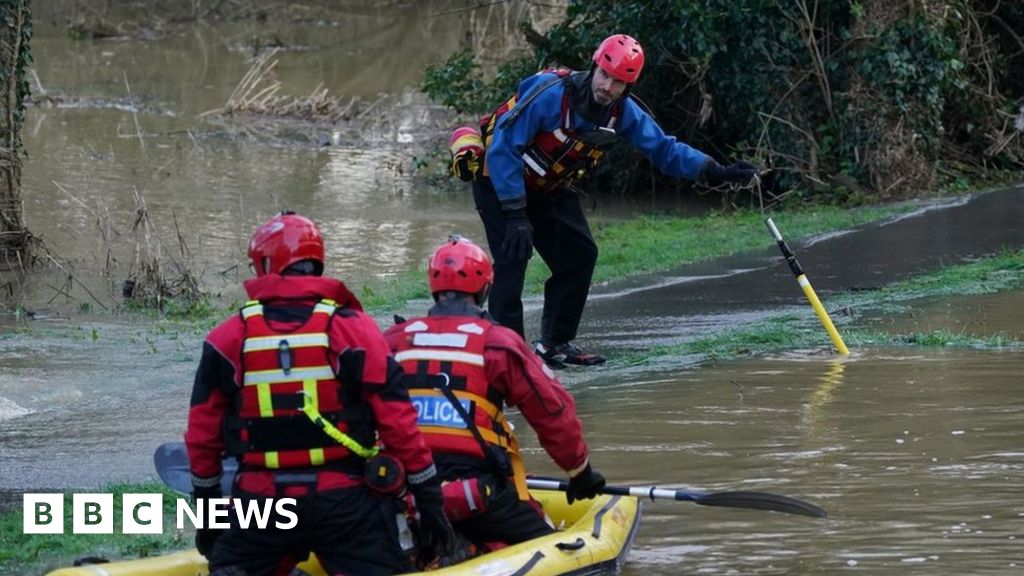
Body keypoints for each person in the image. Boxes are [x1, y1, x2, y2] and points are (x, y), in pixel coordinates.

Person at [458, 33, 759, 368]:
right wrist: (515, 215)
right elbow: (503, 148)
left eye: (618, 82)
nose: (607, 87)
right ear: (594, 64)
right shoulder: (549, 94)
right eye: (604, 75)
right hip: (499, 182)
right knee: (514, 259)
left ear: (628, 86)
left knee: (580, 255)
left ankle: (554, 344)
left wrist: (717, 171)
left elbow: (665, 149)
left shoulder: (624, 112)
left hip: (548, 187)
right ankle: (508, 357)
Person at [184, 211, 455, 576]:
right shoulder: (353, 329)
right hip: (344, 502)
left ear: (264, 264)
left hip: (262, 504)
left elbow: (202, 438)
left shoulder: (227, 338)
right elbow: (398, 421)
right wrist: (429, 500)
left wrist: (207, 514)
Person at [383, 235, 606, 549]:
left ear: (433, 287)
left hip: (404, 488)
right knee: (553, 545)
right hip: (477, 492)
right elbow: (552, 412)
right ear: (485, 288)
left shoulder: (393, 340)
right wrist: (580, 471)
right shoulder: (497, 343)